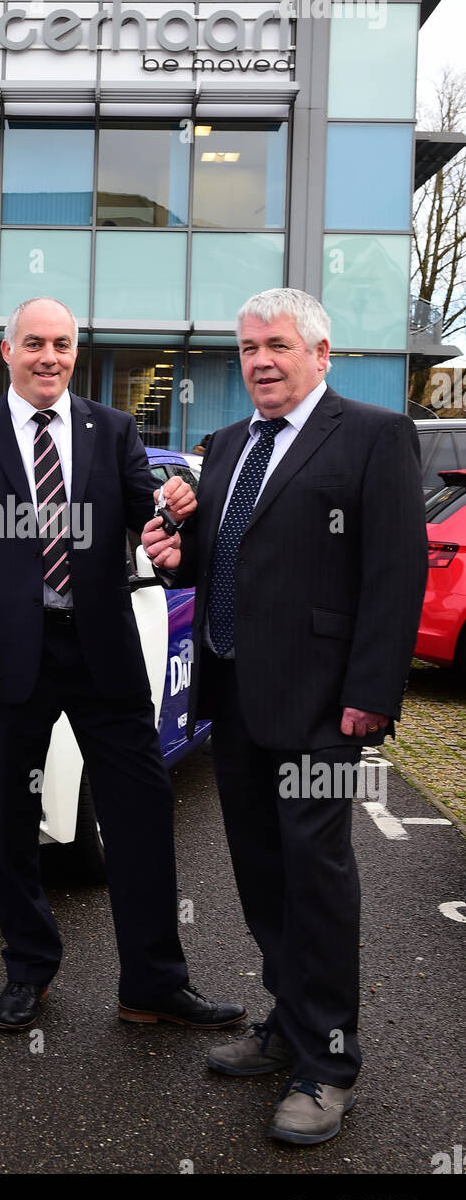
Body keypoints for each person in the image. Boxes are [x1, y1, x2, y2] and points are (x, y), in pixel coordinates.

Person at [143, 288, 427, 1145]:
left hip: (320, 708)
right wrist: (170, 556)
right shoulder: (226, 445)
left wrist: (370, 695)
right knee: (261, 875)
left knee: (316, 881)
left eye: (275, 344)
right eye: (246, 348)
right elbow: (216, 557)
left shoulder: (373, 436)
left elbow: (393, 573)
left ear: (320, 352)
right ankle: (285, 1022)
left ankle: (326, 1063)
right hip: (232, 702)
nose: (259, 360)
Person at [0, 296, 245, 1034]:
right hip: (4, 661)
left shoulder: (113, 429)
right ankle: (27, 969)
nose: (49, 357)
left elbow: (150, 522)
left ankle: (153, 986)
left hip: (102, 650)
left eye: (62, 344)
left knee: (139, 816)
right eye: (34, 342)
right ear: (6, 351)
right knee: (10, 821)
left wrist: (175, 508)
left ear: (76, 351)